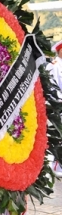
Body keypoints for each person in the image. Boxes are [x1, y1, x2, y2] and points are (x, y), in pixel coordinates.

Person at [47, 40, 62, 177]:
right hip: (58, 105)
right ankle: (56, 165)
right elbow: (51, 86)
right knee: (58, 135)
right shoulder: (55, 66)